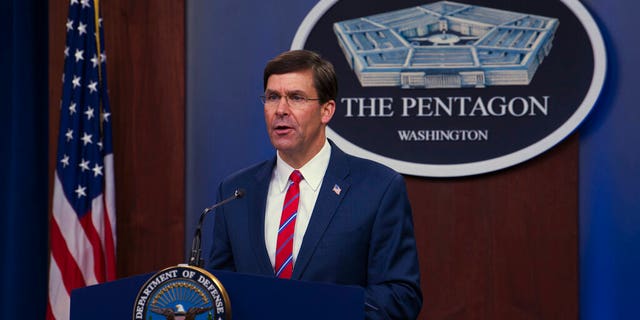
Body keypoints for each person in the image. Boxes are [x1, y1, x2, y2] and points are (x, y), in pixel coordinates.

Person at [206, 49, 422, 319]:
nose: (281, 110)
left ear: (326, 110)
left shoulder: (378, 188)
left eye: (296, 98)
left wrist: (314, 307)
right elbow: (220, 292)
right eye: (272, 97)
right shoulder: (235, 192)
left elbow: (400, 296)